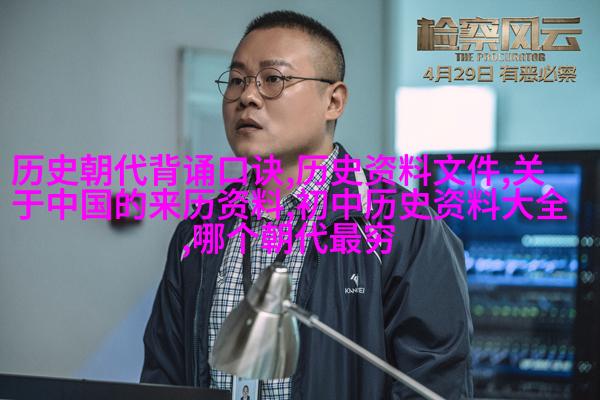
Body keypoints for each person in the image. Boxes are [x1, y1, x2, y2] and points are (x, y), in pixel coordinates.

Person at [141, 10, 473, 400]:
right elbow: (163, 378)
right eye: (236, 80)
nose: (247, 96)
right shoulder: (198, 232)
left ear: (333, 101)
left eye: (273, 79)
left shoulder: (404, 228)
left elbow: (434, 384)